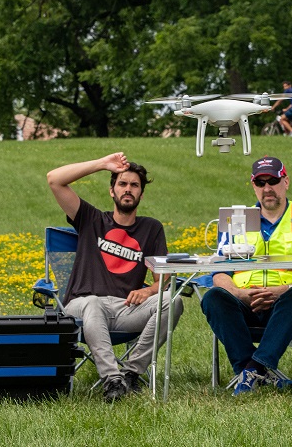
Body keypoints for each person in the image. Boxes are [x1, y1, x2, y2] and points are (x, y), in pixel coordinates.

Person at [47, 152, 184, 402]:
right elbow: (54, 179)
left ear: (142, 194)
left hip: (125, 309)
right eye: (122, 184)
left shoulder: (151, 228)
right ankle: (112, 379)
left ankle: (131, 373)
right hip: (82, 306)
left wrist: (149, 291)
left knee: (173, 301)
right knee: (92, 302)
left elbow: (163, 279)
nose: (128, 189)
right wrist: (101, 164)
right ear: (112, 191)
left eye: (134, 185)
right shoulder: (91, 218)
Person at [200, 156, 292, 396]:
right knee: (213, 297)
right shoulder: (236, 220)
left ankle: (252, 369)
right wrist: (240, 294)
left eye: (273, 181)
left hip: (284, 306)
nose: (267, 188)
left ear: (286, 182)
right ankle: (257, 371)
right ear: (253, 186)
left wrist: (281, 292)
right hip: (243, 302)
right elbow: (219, 271)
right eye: (260, 182)